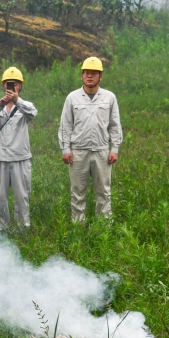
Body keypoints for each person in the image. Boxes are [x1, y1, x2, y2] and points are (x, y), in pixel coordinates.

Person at [59, 56, 123, 222]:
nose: (89, 76)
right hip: (78, 152)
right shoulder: (72, 98)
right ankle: (78, 229)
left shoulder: (109, 98)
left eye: (94, 73)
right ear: (82, 75)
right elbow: (65, 125)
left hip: (102, 152)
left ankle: (103, 228)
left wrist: (114, 148)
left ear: (100, 76)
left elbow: (115, 125)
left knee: (103, 193)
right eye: (86, 72)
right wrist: (66, 149)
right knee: (77, 193)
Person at [0, 67, 38, 231]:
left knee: (22, 196)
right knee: (0, 197)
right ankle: (1, 226)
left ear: (20, 86)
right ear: (3, 85)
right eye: (8, 84)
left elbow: (33, 113)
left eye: (15, 84)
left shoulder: (25, 105)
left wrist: (17, 100)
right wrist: (0, 104)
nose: (11, 87)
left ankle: (23, 226)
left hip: (20, 158)